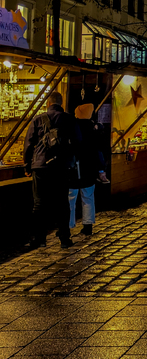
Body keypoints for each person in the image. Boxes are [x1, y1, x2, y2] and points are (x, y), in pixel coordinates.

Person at [23, 91, 82, 249]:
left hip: (41, 167)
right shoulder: (70, 119)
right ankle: (64, 238)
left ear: (48, 103)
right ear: (60, 103)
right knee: (62, 203)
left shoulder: (38, 119)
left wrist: (27, 166)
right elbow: (78, 143)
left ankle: (39, 238)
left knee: (39, 204)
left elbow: (28, 145)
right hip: (61, 167)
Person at [69, 104, 102, 236]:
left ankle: (69, 225)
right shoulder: (93, 128)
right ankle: (87, 225)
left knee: (70, 198)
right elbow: (97, 150)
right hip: (88, 168)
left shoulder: (71, 127)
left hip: (73, 167)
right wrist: (101, 169)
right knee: (88, 197)